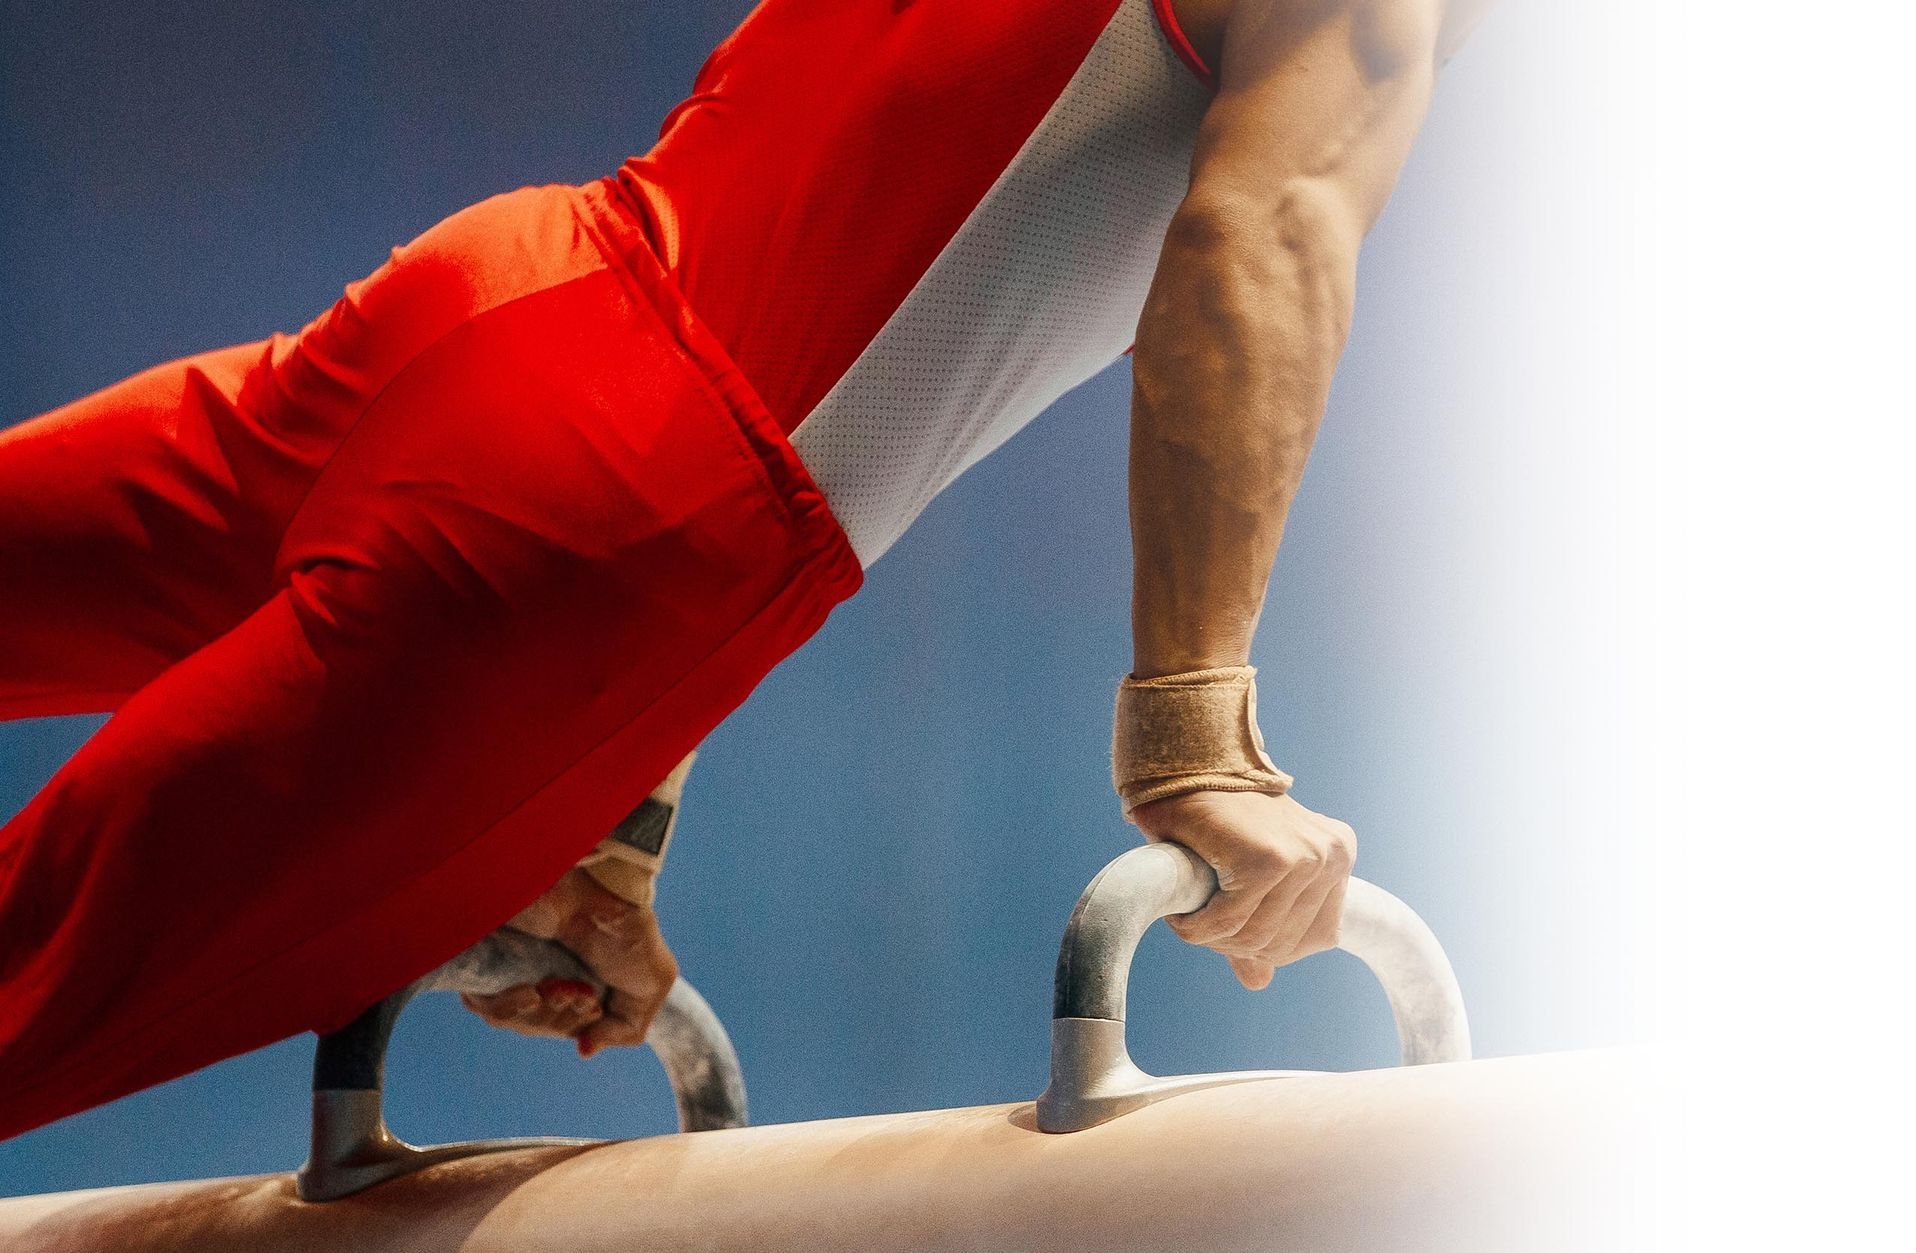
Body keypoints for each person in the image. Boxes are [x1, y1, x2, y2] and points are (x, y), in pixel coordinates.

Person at [0, 0, 1488, 1139]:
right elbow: (1260, 240)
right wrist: (1196, 737)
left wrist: (611, 813)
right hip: (619, 520)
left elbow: (847, 201)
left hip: (518, 284)